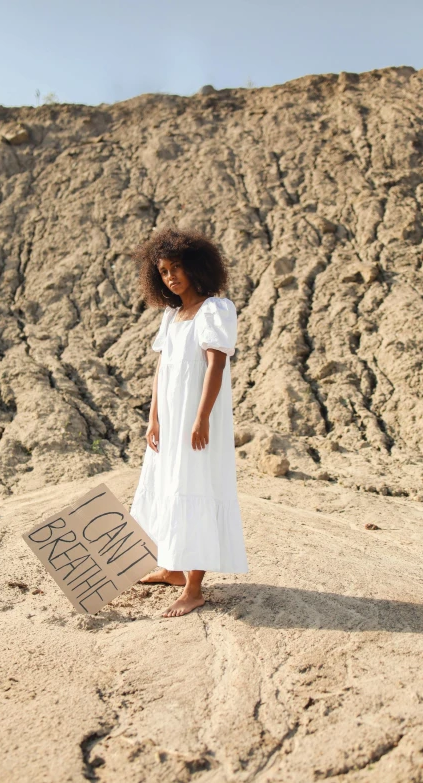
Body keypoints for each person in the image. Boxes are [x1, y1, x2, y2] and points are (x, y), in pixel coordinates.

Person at [129, 227, 249, 618]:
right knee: (167, 485)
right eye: (163, 271)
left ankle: (194, 588)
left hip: (197, 419)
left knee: (195, 486)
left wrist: (201, 418)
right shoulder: (172, 315)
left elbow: (217, 364)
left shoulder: (216, 309)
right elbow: (162, 368)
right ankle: (172, 569)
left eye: (177, 267)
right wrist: (154, 418)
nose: (170, 277)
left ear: (196, 267)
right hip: (170, 418)